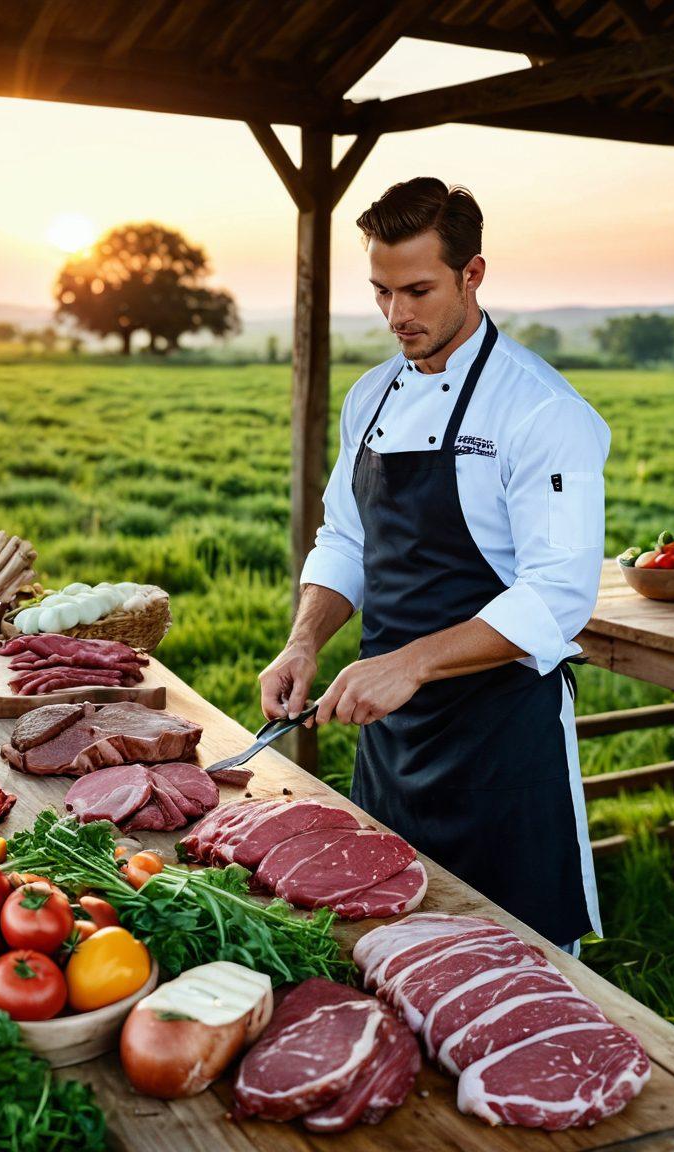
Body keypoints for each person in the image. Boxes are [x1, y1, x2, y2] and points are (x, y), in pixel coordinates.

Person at [259, 177, 609, 952]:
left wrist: (412, 662)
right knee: (384, 947)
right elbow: (346, 538)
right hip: (390, 735)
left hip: (500, 743)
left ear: (472, 274)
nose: (396, 316)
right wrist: (305, 641)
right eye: (381, 292)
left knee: (524, 972)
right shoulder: (372, 396)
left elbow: (557, 599)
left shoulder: (542, 411)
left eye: (417, 290)